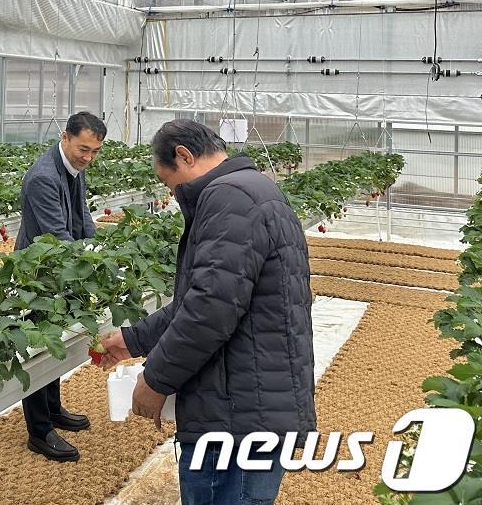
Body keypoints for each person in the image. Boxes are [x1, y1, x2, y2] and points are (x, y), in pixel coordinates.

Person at [99, 119, 315, 505]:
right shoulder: (252, 190)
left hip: (234, 415)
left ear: (184, 155)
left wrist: (156, 380)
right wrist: (134, 339)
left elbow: (208, 311)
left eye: (171, 184)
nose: (175, 194)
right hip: (251, 403)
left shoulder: (229, 197)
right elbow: (206, 298)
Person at [16, 111, 106, 462]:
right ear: (65, 136)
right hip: (37, 275)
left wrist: (98, 250)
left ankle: (52, 409)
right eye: (83, 148)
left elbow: (81, 217)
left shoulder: (72, 169)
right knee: (38, 348)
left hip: (59, 272)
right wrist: (88, 265)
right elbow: (57, 234)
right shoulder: (43, 177)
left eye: (95, 151)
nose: (88, 157)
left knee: (54, 342)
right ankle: (39, 431)